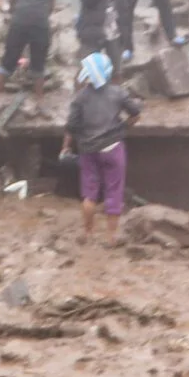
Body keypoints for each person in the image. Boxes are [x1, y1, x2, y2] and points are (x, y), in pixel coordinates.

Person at [60, 52, 142, 246]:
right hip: (113, 148)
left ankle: (87, 232)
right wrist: (125, 126)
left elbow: (71, 126)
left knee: (89, 193)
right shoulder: (118, 93)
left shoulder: (80, 98)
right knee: (114, 191)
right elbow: (136, 113)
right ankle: (111, 236)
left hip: (88, 150)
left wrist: (65, 147)